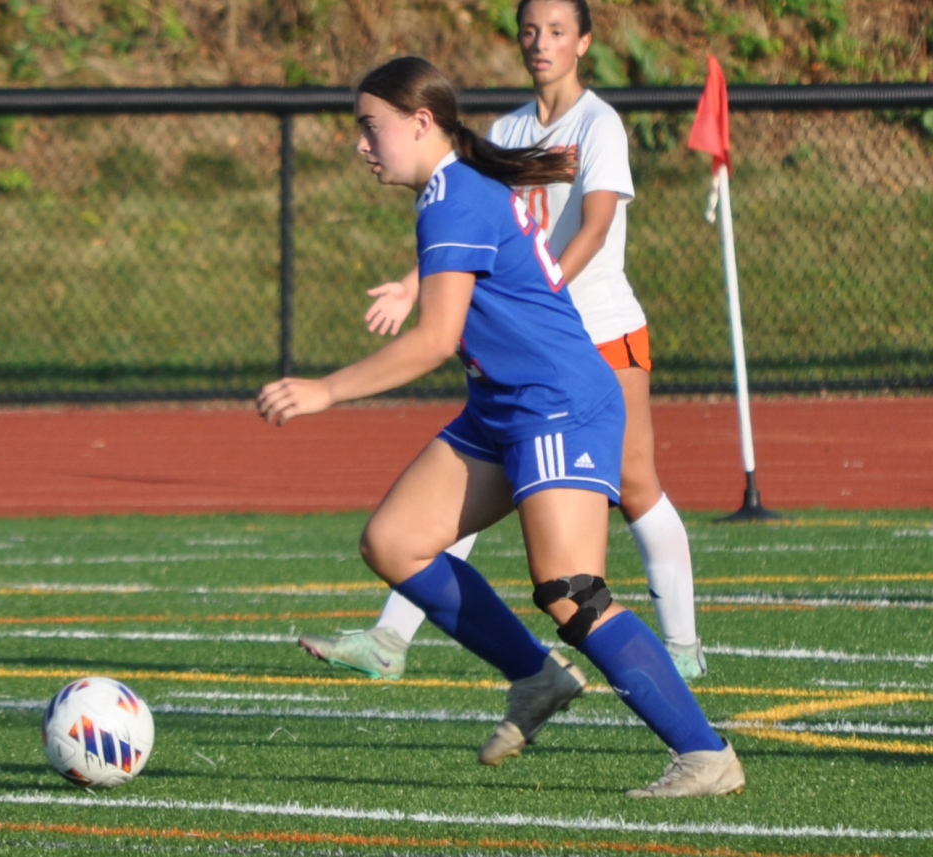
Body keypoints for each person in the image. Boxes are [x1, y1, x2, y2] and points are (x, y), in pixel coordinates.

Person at [260, 55, 744, 797]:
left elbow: (433, 338)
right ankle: (535, 675)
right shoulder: (452, 187)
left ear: (420, 122)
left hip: (554, 401)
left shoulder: (452, 195)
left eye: (371, 126)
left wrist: (326, 389)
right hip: (502, 404)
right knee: (392, 541)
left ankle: (704, 754)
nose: (362, 144)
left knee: (572, 593)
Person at [299, 0, 705, 684]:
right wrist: (412, 283)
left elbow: (594, 227)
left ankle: (684, 649)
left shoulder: (599, 124)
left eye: (555, 31)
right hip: (532, 343)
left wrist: (543, 290)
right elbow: (478, 230)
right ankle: (391, 635)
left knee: (634, 488)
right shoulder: (510, 127)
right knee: (466, 487)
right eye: (529, 31)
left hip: (595, 331)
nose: (539, 43)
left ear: (584, 42)